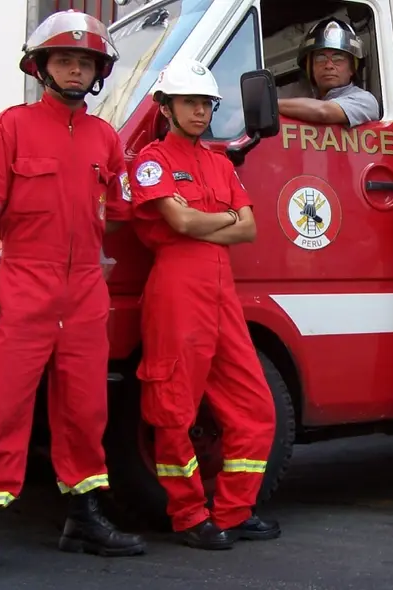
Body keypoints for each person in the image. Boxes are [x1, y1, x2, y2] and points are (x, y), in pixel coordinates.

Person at [0, 10, 146, 581]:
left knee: (85, 409)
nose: (76, 70)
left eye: (86, 62)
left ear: (98, 72)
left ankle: (83, 518)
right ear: (42, 66)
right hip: (23, 283)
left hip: (83, 294)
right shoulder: (11, 126)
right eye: (65, 59)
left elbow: (123, 213)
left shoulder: (107, 138)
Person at [128, 58, 279, 550]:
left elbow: (252, 229)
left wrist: (200, 218)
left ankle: (234, 510)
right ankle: (189, 515)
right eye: (189, 102)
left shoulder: (218, 163)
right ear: (166, 107)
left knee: (255, 407)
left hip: (222, 295)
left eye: (205, 104)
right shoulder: (151, 160)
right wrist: (222, 220)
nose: (199, 112)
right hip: (176, 290)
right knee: (174, 409)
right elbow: (182, 226)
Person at [277, 17, 381, 127]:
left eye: (338, 58)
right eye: (320, 58)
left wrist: (271, 106)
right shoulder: (302, 97)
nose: (328, 66)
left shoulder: (365, 100)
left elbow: (323, 112)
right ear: (310, 68)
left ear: (352, 68)